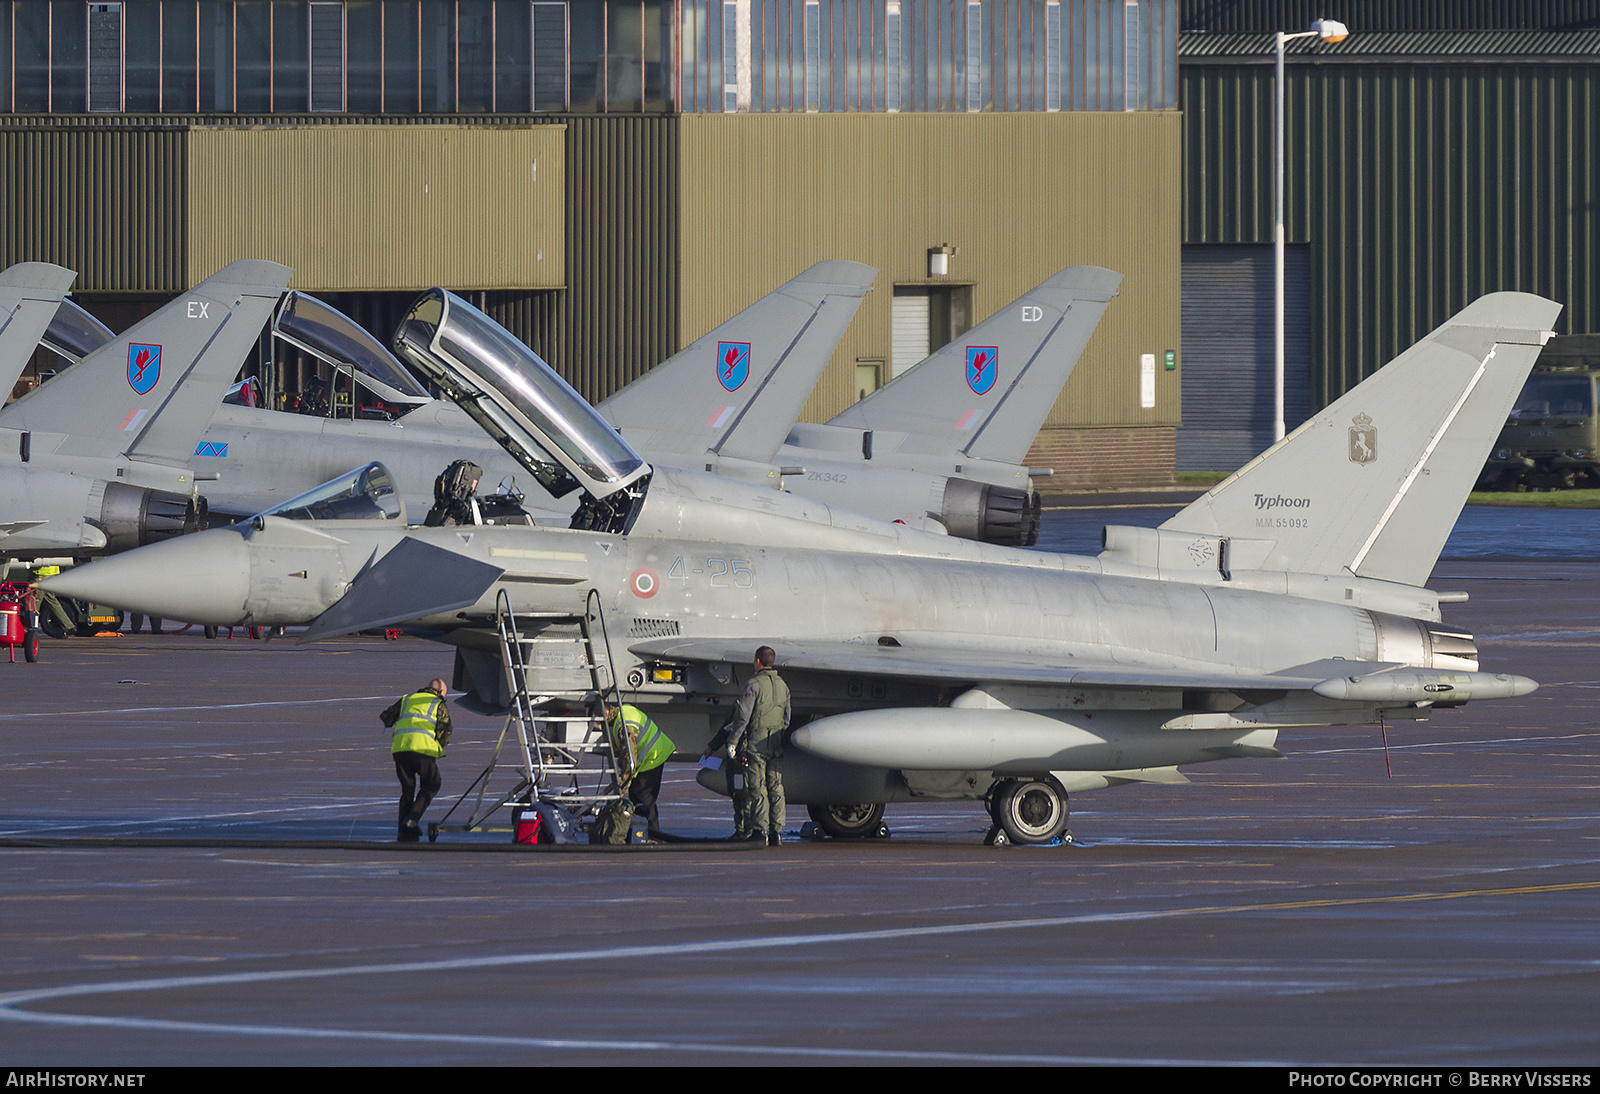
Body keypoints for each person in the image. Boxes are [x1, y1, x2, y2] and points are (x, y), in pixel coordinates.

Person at [710, 646, 790, 847]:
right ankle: (776, 832)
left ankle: (759, 830)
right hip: (775, 745)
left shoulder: (753, 685)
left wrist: (732, 742)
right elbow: (787, 719)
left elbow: (742, 718)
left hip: (756, 745)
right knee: (776, 787)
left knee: (757, 787)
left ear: (757, 661)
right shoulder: (783, 686)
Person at [381, 678, 452, 842]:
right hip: (423, 749)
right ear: (441, 691)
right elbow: (445, 730)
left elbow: (386, 718)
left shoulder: (408, 699)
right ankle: (412, 819)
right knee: (432, 783)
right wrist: (438, 745)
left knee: (407, 790)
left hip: (401, 749)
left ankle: (404, 833)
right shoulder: (438, 703)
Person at [603, 700, 676, 837]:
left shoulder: (624, 726)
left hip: (654, 756)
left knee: (643, 796)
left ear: (606, 713)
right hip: (647, 757)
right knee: (635, 797)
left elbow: (628, 757)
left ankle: (653, 836)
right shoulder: (621, 714)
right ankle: (639, 834)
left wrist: (623, 784)